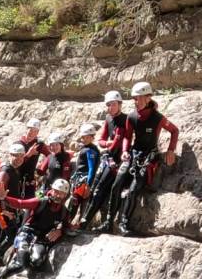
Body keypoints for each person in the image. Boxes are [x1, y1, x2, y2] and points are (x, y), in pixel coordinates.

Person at [106, 81, 179, 236]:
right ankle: (108, 222)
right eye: (134, 98)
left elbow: (174, 130)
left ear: (148, 98)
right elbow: (127, 136)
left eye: (139, 98)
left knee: (134, 189)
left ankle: (123, 224)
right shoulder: (132, 117)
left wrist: (171, 150)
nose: (136, 101)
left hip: (149, 157)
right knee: (116, 184)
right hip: (134, 154)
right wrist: (125, 151)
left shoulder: (157, 118)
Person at [0, 179, 71, 279]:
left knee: (37, 261)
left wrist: (59, 230)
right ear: (51, 190)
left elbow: (67, 226)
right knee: (21, 264)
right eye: (56, 191)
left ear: (65, 196)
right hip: (26, 234)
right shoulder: (41, 202)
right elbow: (20, 203)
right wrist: (4, 199)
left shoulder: (64, 211)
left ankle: (26, 264)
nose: (58, 195)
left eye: (61, 193)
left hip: (40, 239)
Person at [83, 90, 128, 231]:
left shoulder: (127, 120)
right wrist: (110, 143)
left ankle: (92, 223)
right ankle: (86, 221)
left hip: (120, 159)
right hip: (109, 158)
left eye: (113, 104)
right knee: (96, 189)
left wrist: (113, 143)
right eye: (108, 105)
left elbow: (125, 140)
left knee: (102, 188)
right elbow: (100, 141)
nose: (110, 107)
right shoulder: (108, 118)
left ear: (120, 104)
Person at [0, 143, 26, 259]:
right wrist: (4, 211)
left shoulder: (14, 169)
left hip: (11, 207)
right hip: (5, 210)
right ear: (10, 155)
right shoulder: (5, 171)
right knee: (11, 237)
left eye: (21, 156)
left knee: (4, 234)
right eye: (15, 156)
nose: (18, 159)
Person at [68, 123, 100, 229]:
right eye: (82, 137)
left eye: (86, 137)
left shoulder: (90, 150)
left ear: (92, 137)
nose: (83, 139)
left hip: (83, 181)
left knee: (76, 203)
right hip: (81, 179)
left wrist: (88, 185)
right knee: (78, 203)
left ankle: (70, 224)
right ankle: (75, 225)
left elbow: (91, 168)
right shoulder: (87, 148)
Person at [17, 119, 49, 197]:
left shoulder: (39, 144)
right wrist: (28, 155)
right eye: (30, 130)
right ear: (26, 129)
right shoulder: (18, 144)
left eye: (35, 131)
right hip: (17, 177)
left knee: (31, 202)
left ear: (37, 133)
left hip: (30, 179)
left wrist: (42, 167)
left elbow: (50, 155)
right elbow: (15, 162)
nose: (31, 133)